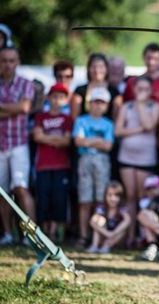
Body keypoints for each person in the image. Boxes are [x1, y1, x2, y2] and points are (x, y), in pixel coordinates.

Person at [0, 47, 36, 246]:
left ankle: (32, 234)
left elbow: (25, 107)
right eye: (4, 60)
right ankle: (6, 233)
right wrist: (11, 109)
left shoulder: (25, 84)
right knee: (0, 191)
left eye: (11, 60)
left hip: (18, 143)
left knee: (21, 187)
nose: (8, 64)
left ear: (17, 62)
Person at [114, 76, 159, 248]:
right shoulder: (126, 106)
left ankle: (144, 236)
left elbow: (149, 125)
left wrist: (140, 105)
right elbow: (118, 131)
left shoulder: (155, 106)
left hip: (146, 159)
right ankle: (130, 235)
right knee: (130, 197)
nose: (142, 92)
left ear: (150, 91)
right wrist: (138, 129)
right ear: (134, 90)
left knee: (143, 197)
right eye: (139, 89)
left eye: (145, 89)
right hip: (126, 158)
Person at [72, 86, 115, 248]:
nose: (98, 106)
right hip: (85, 160)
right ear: (90, 103)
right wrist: (99, 142)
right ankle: (84, 235)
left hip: (102, 161)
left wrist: (89, 141)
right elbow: (78, 141)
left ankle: (98, 236)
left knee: (100, 200)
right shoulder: (81, 120)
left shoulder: (108, 124)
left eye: (102, 103)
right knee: (85, 200)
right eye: (95, 102)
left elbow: (108, 145)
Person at [32, 83, 73, 242]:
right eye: (54, 97)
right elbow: (37, 137)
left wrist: (47, 138)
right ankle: (44, 233)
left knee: (58, 199)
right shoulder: (41, 117)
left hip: (61, 165)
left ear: (65, 100)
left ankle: (54, 232)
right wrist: (57, 139)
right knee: (43, 198)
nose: (57, 100)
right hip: (43, 165)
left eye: (61, 97)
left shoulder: (67, 119)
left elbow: (67, 141)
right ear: (49, 98)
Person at [71, 53, 122, 120]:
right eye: (93, 66)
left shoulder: (115, 92)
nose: (97, 70)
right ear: (88, 69)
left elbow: (116, 119)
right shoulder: (80, 91)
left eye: (101, 67)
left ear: (107, 69)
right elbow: (75, 118)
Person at [87, 180, 131, 254]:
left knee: (123, 231)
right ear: (105, 195)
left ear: (121, 197)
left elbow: (128, 220)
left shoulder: (121, 209)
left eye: (116, 195)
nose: (113, 198)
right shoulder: (102, 208)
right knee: (100, 220)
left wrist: (113, 233)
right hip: (103, 235)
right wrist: (107, 233)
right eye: (109, 195)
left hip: (116, 238)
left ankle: (106, 247)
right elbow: (92, 221)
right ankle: (94, 246)